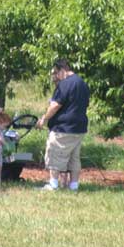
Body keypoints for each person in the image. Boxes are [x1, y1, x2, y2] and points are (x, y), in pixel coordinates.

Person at [36, 59, 89, 191]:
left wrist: (44, 119)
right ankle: (74, 186)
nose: (55, 76)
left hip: (63, 128)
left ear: (62, 70)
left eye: (56, 72)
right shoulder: (82, 83)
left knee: (55, 153)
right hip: (79, 128)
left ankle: (53, 184)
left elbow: (55, 105)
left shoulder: (65, 84)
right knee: (74, 159)